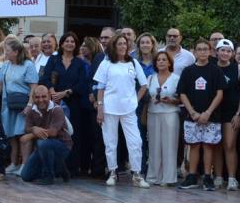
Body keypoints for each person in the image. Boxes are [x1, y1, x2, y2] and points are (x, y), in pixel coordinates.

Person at [95, 34, 148, 188]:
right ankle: (112, 172)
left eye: (125, 43)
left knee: (136, 142)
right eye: (119, 44)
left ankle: (137, 174)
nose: (123, 46)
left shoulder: (134, 63)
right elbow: (100, 88)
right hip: (109, 108)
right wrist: (100, 107)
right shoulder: (106, 63)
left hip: (129, 110)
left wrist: (135, 101)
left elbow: (143, 86)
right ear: (114, 46)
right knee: (110, 142)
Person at [41, 33, 92, 178]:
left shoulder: (80, 63)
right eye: (67, 41)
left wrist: (65, 93)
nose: (69, 43)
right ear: (61, 44)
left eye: (72, 41)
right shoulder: (53, 59)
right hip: (54, 103)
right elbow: (45, 78)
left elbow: (82, 84)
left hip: (73, 104)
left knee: (72, 135)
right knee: (55, 133)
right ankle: (54, 167)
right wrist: (52, 92)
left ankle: (72, 168)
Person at [178, 38, 225, 191]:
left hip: (211, 116)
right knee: (194, 145)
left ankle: (207, 176)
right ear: (195, 51)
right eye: (200, 49)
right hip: (192, 116)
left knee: (208, 146)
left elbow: (219, 93)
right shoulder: (188, 71)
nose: (203, 52)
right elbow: (182, 93)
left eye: (206, 49)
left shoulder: (215, 70)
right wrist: (192, 112)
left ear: (210, 51)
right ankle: (191, 175)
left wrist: (207, 113)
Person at [0, 37, 38, 177]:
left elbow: (33, 87)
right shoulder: (6, 65)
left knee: (23, 134)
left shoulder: (28, 65)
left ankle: (24, 164)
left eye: (7, 50)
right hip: (8, 105)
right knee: (11, 135)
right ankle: (14, 163)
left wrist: (30, 105)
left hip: (23, 105)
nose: (5, 53)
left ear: (16, 51)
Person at [213, 39, 240, 192]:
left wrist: (239, 113)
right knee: (216, 146)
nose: (225, 53)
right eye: (222, 50)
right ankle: (219, 176)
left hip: (231, 113)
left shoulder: (238, 70)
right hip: (214, 112)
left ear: (232, 54)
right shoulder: (211, 68)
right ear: (217, 52)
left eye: (228, 51)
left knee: (230, 144)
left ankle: (232, 178)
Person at [20, 84, 72, 185]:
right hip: (43, 148)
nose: (40, 100)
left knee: (42, 142)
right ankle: (60, 167)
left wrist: (32, 134)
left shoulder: (57, 110)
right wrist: (33, 129)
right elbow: (27, 128)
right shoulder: (31, 111)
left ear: (49, 96)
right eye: (37, 97)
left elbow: (53, 132)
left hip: (63, 144)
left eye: (44, 96)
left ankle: (49, 176)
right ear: (33, 98)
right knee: (25, 176)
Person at [144, 50, 180, 186]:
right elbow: (146, 96)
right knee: (153, 146)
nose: (161, 62)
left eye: (164, 59)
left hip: (170, 114)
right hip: (153, 113)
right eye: (158, 60)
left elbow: (181, 98)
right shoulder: (150, 78)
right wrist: (151, 98)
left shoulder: (176, 78)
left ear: (169, 62)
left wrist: (171, 100)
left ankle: (168, 178)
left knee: (169, 146)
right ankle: (153, 177)